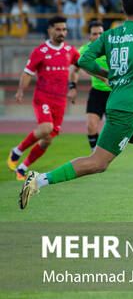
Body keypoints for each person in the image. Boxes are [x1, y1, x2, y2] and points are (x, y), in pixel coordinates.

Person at [20, 0, 133, 229]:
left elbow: (83, 59)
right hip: (127, 110)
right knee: (98, 163)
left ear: (123, 10)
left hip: (126, 108)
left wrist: (106, 73)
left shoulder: (110, 36)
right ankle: (39, 180)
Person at [7, 16, 80, 180]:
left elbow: (80, 65)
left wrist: (74, 86)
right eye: (58, 29)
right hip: (43, 97)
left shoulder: (70, 50)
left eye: (64, 29)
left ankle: (22, 167)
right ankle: (17, 150)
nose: (62, 32)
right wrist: (20, 90)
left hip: (60, 101)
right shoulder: (40, 51)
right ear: (50, 30)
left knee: (47, 140)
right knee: (46, 128)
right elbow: (27, 73)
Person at [79, 20, 112, 151]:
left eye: (100, 33)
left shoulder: (112, 48)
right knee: (91, 126)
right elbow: (80, 68)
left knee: (115, 129)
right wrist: (72, 86)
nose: (98, 36)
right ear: (89, 36)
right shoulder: (84, 50)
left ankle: (106, 153)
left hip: (114, 93)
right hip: (97, 92)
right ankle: (95, 152)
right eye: (94, 34)